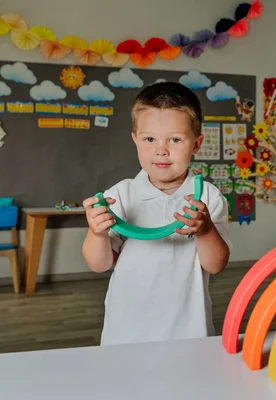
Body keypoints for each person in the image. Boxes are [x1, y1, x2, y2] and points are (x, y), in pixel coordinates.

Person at [81, 81, 231, 346]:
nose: (161, 150)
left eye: (175, 139)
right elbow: (99, 264)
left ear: (196, 145)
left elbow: (215, 265)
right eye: (149, 139)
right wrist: (97, 233)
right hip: (126, 331)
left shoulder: (208, 197)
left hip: (188, 331)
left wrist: (206, 230)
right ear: (135, 140)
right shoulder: (121, 194)